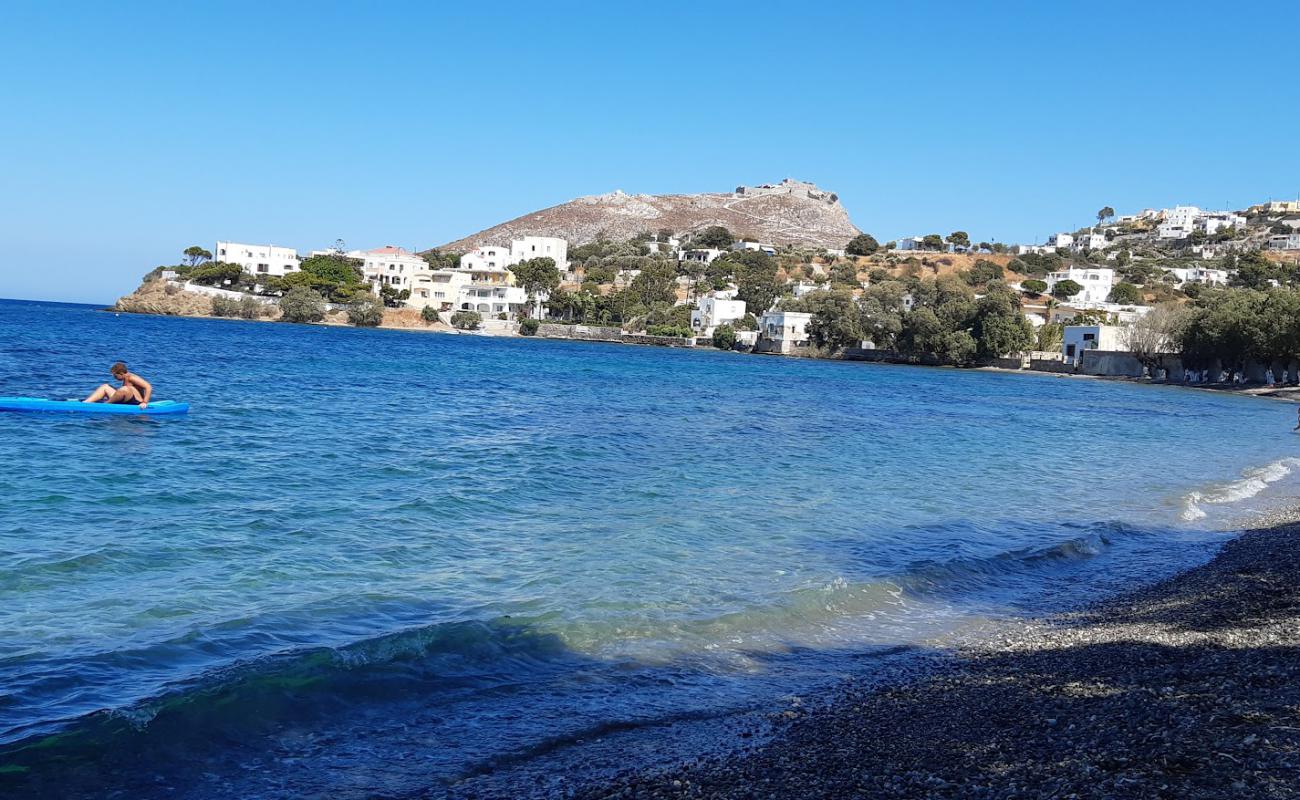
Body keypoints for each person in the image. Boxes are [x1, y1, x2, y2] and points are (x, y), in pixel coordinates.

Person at [83, 362, 152, 408]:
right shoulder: (126, 377)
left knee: (124, 389)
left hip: (135, 402)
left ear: (121, 373)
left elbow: (148, 387)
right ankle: (85, 403)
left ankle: (105, 405)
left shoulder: (132, 377)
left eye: (115, 376)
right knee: (105, 387)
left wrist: (144, 402)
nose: (115, 378)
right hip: (126, 400)